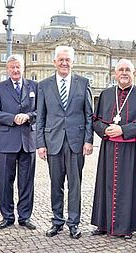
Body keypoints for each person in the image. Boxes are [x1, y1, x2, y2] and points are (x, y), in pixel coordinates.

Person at [90, 59, 136, 239]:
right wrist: (105, 130)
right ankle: (103, 224)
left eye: (128, 70)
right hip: (109, 147)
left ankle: (127, 227)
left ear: (134, 74)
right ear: (115, 73)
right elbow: (95, 120)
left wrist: (123, 130)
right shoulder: (106, 94)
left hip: (130, 150)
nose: (124, 73)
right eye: (121, 70)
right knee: (105, 185)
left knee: (129, 188)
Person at [36, 45, 94, 239]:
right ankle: (57, 221)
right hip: (53, 141)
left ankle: (74, 223)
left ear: (72, 62)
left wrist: (88, 140)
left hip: (76, 142)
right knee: (56, 184)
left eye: (67, 60)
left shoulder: (83, 83)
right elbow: (40, 117)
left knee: (75, 185)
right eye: (61, 59)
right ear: (55, 62)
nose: (64, 63)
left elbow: (88, 115)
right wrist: (40, 144)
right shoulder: (44, 85)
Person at [0, 54, 37, 230]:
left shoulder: (34, 86)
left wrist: (29, 116)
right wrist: (12, 118)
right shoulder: (0, 88)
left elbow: (41, 111)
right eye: (12, 67)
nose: (15, 70)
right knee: (5, 181)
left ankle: (25, 217)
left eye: (18, 67)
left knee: (26, 181)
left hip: (28, 141)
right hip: (7, 141)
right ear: (7, 69)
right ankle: (7, 216)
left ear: (23, 68)